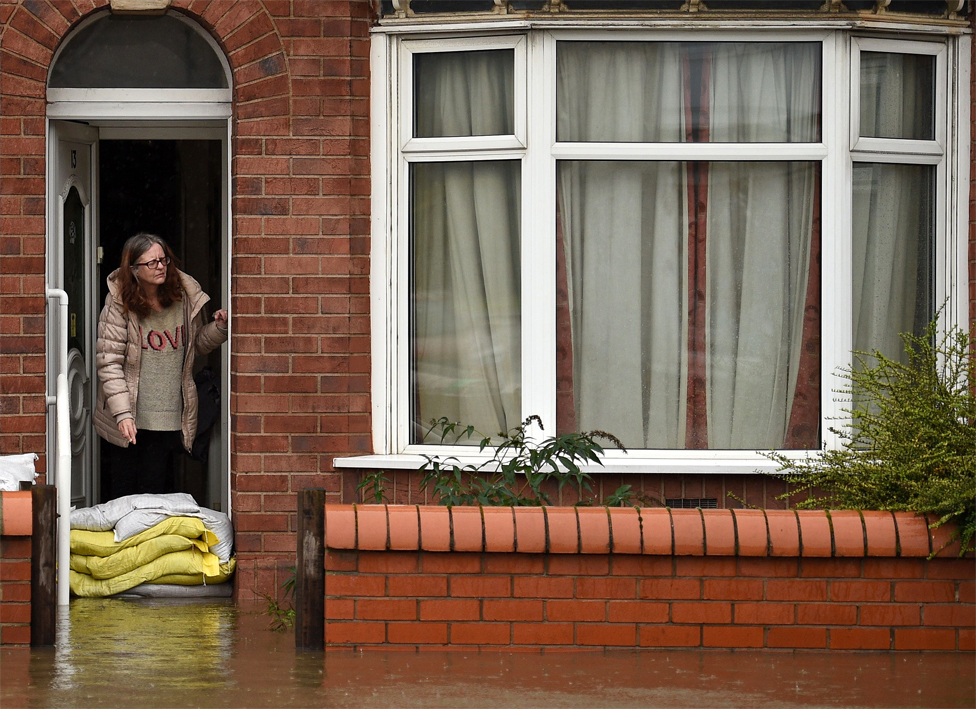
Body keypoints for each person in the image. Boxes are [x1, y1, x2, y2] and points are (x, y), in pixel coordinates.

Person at [94, 233, 228, 498]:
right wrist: (123, 414)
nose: (161, 266)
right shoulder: (119, 302)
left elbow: (194, 347)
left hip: (168, 414)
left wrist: (220, 328)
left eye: (163, 259)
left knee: (154, 490)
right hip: (130, 413)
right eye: (151, 263)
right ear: (133, 270)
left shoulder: (182, 297)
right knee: (124, 491)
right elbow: (109, 361)